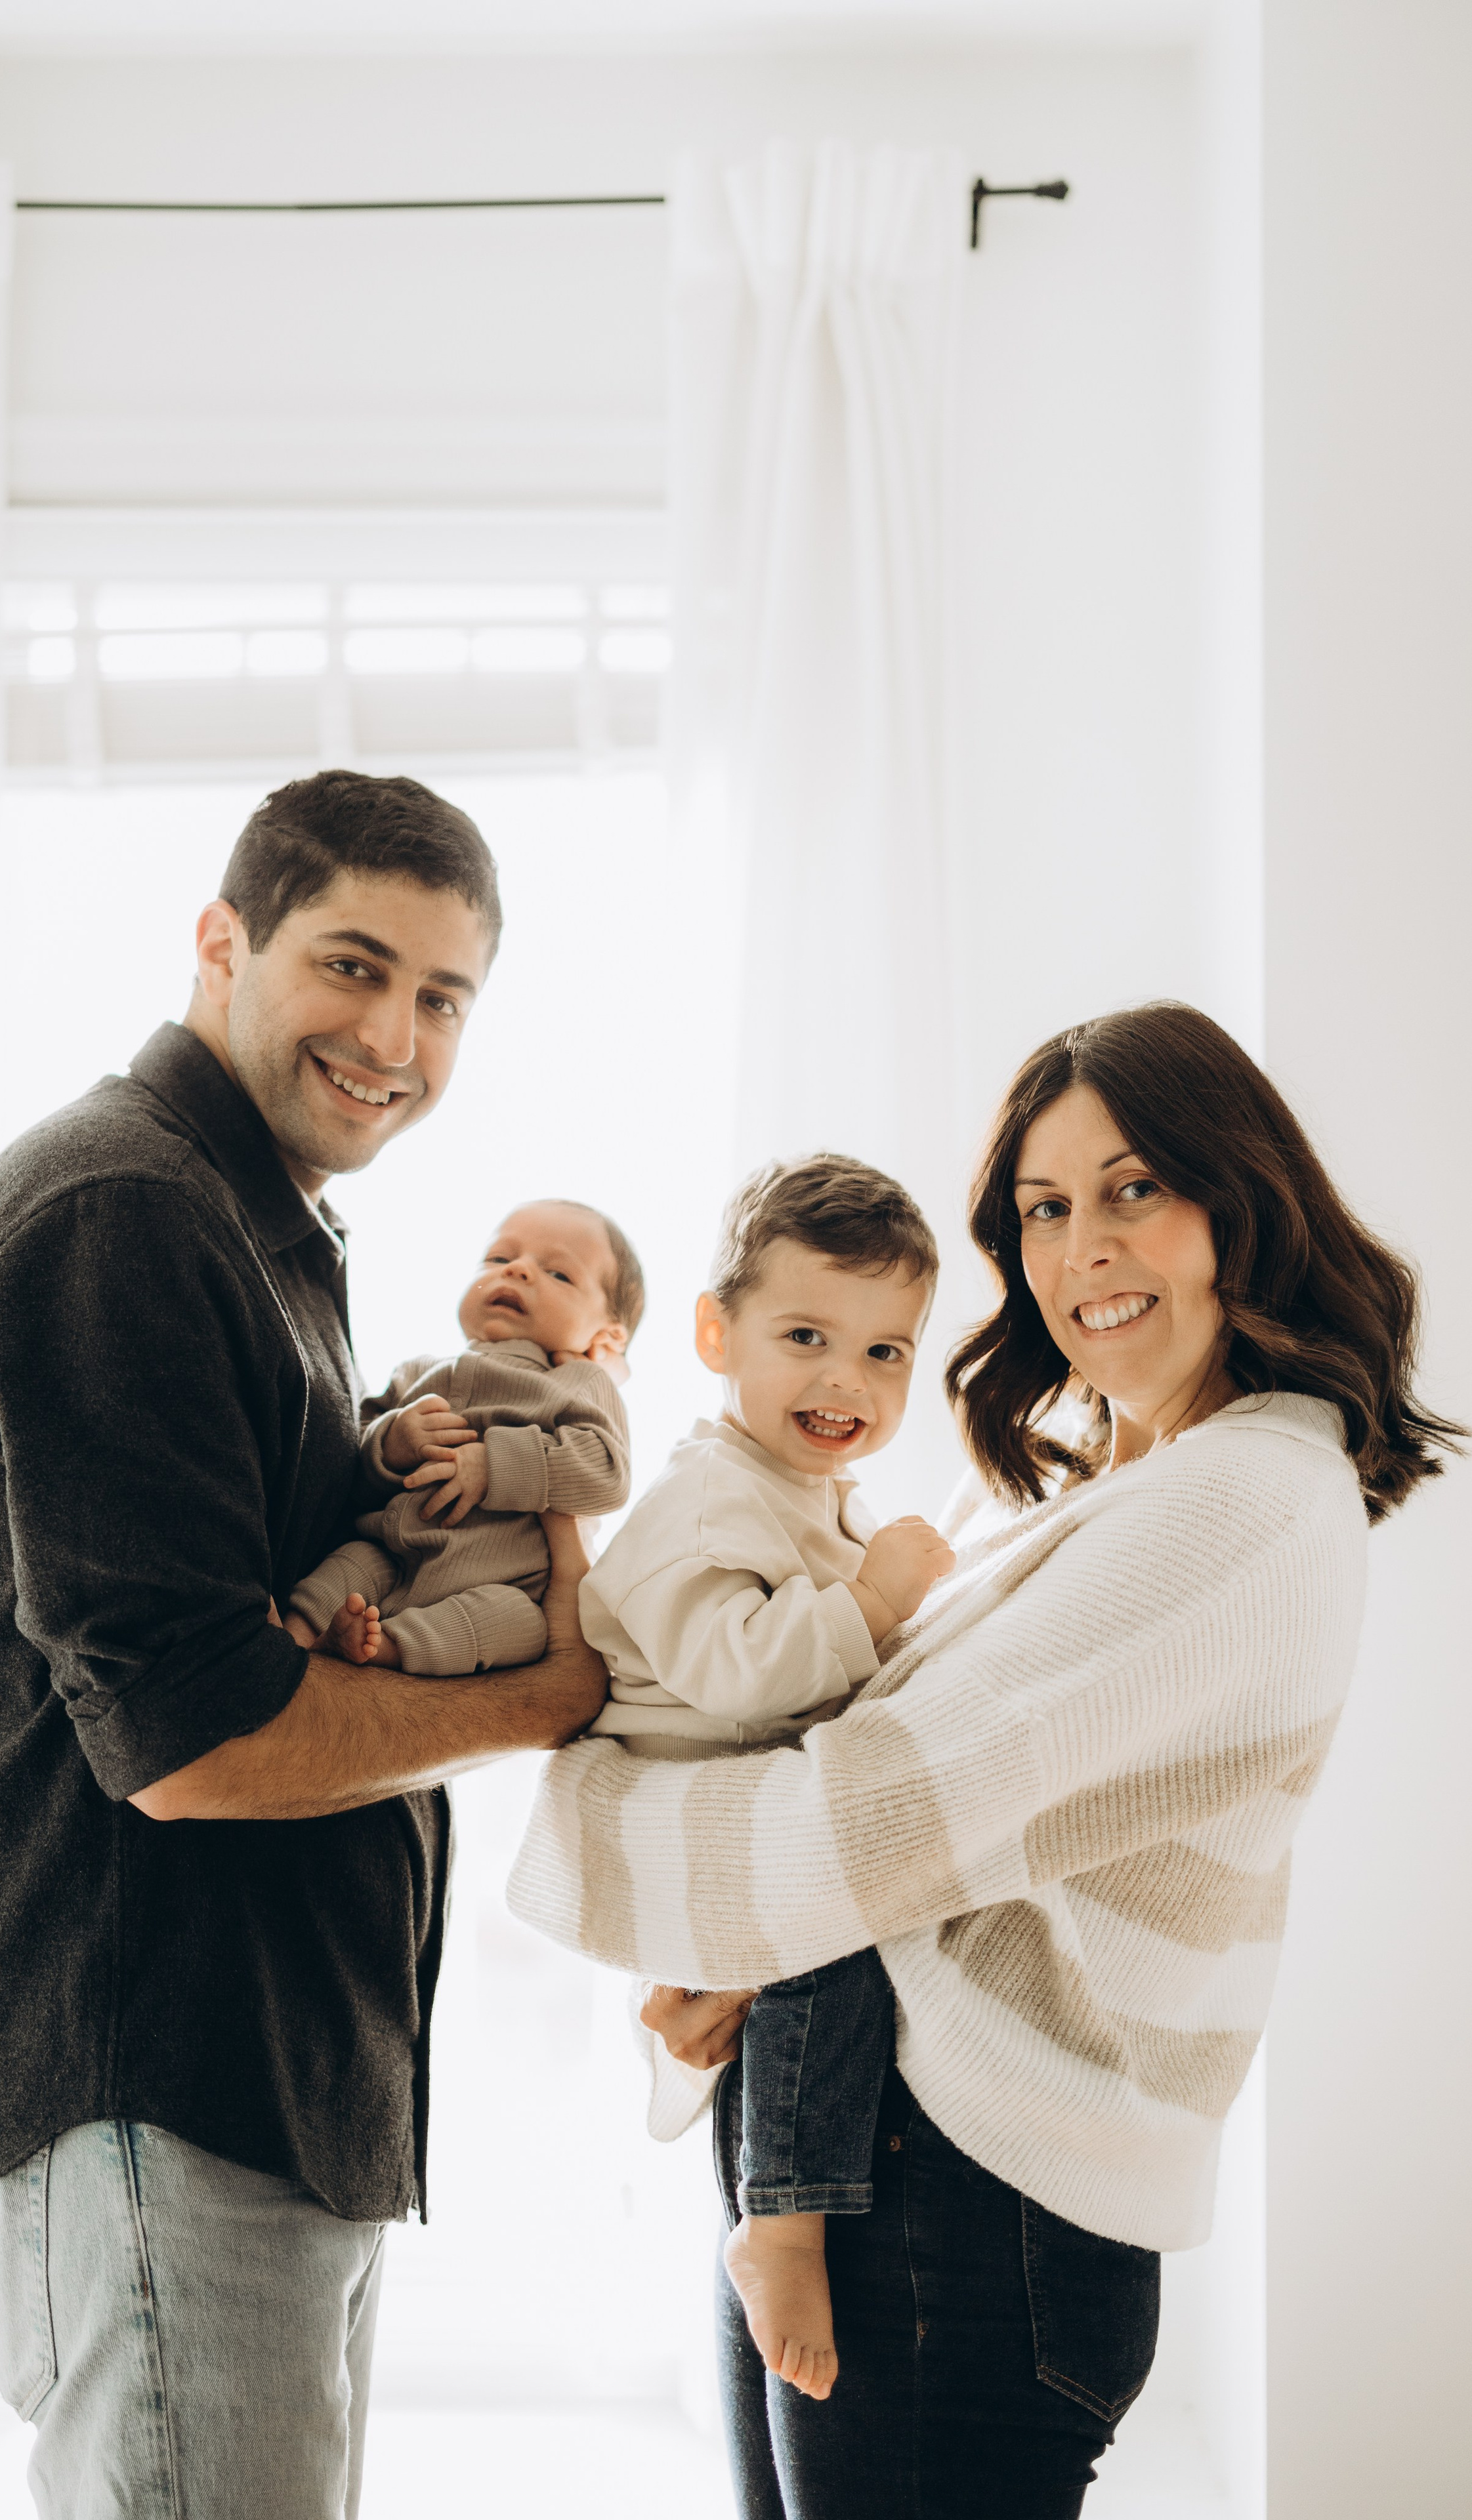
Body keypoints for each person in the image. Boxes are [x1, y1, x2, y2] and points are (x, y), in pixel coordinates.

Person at [511, 1001, 1463, 2519]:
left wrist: (574, 1791)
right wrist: (739, 1962)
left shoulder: (1235, 1504)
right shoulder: (1089, 1479)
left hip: (962, 2199)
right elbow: (898, 1799)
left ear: (1237, 1198)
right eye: (1042, 1207)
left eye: (1131, 1186)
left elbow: (853, 1816)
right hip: (862, 2161)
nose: (1081, 1246)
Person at [0, 770, 605, 2520]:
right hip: (158, 2083)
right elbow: (190, 1741)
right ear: (222, 940)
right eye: (352, 966)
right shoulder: (126, 1214)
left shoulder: (248, 1224)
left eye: (443, 998)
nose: (396, 1035)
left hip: (242, 2079)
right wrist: (544, 1697)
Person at [579, 1155, 954, 2399]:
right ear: (714, 1332)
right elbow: (738, 1673)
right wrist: (878, 1595)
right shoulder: (700, 1503)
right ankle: (779, 2224)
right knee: (831, 1935)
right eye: (807, 1335)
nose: (847, 1379)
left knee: (830, 1945)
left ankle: (731, 2124)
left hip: (740, 1823)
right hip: (696, 1829)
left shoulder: (798, 1491)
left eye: (886, 1351)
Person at [288, 1199, 640, 1672]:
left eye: (559, 1274)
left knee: (518, 1622)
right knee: (350, 1563)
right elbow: (348, 1461)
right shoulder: (419, 1372)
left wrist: (493, 1465)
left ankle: (388, 1646)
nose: (517, 1270)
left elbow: (607, 1471)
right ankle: (291, 1639)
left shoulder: (579, 1383)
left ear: (608, 1337)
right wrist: (392, 1441)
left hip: (502, 1580)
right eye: (498, 1258)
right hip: (394, 1554)